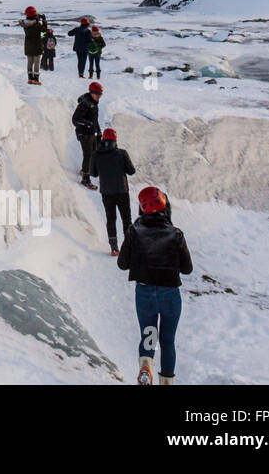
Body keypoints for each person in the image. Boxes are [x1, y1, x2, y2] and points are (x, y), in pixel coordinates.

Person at [118, 186, 194, 385]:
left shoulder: (135, 231)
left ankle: (145, 367)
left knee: (148, 335)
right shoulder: (176, 234)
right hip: (169, 294)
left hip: (145, 293)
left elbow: (122, 264)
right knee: (167, 340)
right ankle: (167, 382)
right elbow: (187, 269)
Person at [91, 127, 135, 255]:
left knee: (111, 219)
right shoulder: (122, 154)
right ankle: (129, 246)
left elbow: (93, 173)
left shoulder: (96, 155)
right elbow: (131, 171)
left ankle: (114, 248)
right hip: (122, 191)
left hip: (106, 192)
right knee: (126, 219)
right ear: (115, 139)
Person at [71, 81, 103, 189]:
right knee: (88, 155)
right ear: (91, 92)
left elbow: (94, 119)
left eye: (100, 94)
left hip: (91, 132)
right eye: (97, 94)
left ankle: (84, 169)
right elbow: (75, 120)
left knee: (94, 151)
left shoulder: (93, 103)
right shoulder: (84, 104)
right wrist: (88, 124)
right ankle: (85, 179)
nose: (99, 97)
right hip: (83, 133)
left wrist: (98, 131)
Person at [17, 5, 47, 85]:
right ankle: (36, 79)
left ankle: (30, 78)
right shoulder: (37, 25)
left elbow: (32, 21)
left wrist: (36, 19)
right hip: (37, 45)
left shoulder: (25, 24)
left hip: (28, 45)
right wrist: (44, 20)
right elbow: (44, 30)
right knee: (36, 63)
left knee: (29, 62)